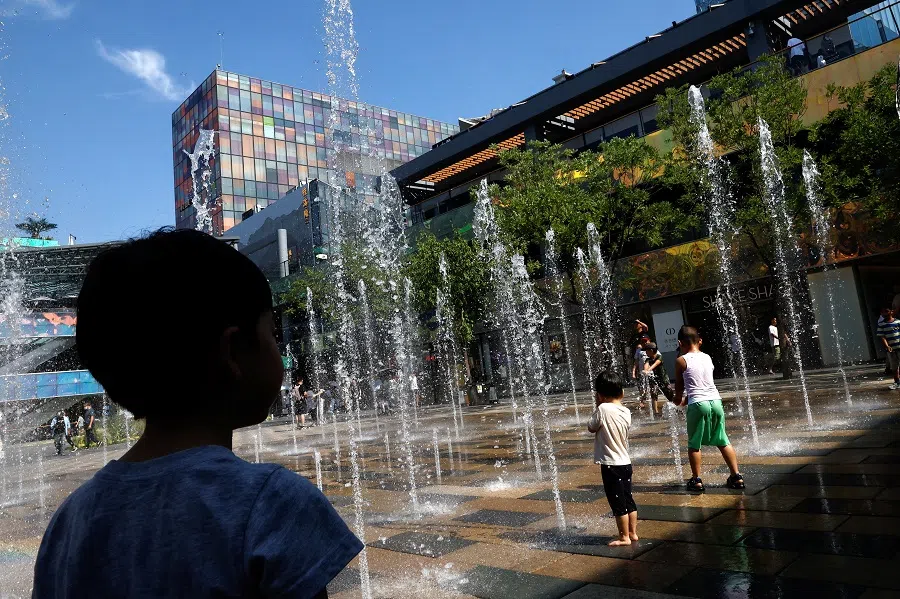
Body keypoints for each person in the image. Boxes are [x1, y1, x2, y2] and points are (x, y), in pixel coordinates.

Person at [32, 229, 362, 599]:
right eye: (272, 334)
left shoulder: (68, 522)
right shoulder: (272, 505)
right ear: (233, 351)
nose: (278, 348)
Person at [672, 325, 745, 492]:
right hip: (716, 401)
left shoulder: (681, 360)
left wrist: (678, 400)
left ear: (679, 343)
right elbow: (702, 383)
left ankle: (696, 480)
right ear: (700, 341)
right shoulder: (707, 357)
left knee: (694, 443)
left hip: (698, 404)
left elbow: (679, 390)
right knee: (723, 440)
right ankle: (736, 476)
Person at [587, 371, 638, 547]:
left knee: (618, 503)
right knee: (628, 499)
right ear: (622, 393)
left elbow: (591, 427)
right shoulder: (626, 411)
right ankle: (633, 532)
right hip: (626, 463)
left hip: (611, 464)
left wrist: (598, 404)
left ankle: (624, 537)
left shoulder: (602, 409)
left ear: (600, 395)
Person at [643, 342, 674, 415]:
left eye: (646, 351)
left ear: (651, 350)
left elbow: (656, 364)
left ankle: (676, 406)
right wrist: (645, 370)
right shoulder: (648, 359)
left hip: (663, 378)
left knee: (668, 393)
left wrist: (648, 370)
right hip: (654, 378)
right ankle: (656, 411)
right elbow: (646, 365)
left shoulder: (659, 356)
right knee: (654, 393)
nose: (645, 353)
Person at [877, 306, 900, 390]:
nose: (885, 314)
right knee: (894, 367)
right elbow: (882, 336)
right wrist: (887, 346)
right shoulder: (881, 324)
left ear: (891, 312)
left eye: (887, 311)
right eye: (883, 312)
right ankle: (897, 382)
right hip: (891, 349)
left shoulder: (898, 322)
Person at [632, 335, 651, 409]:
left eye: (646, 341)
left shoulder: (652, 349)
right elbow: (636, 362)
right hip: (641, 372)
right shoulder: (638, 351)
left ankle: (654, 408)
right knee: (642, 388)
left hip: (650, 372)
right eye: (643, 341)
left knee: (651, 388)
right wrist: (633, 372)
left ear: (649, 340)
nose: (644, 343)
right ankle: (642, 402)